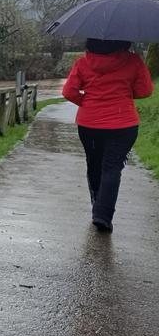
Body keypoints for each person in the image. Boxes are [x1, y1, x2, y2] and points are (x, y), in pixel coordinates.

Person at [62, 38, 154, 232]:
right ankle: (103, 216)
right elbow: (145, 90)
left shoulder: (83, 62)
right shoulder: (134, 61)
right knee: (112, 168)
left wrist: (87, 102)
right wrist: (125, 94)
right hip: (123, 124)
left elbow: (68, 91)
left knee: (94, 164)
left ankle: (97, 204)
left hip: (90, 124)